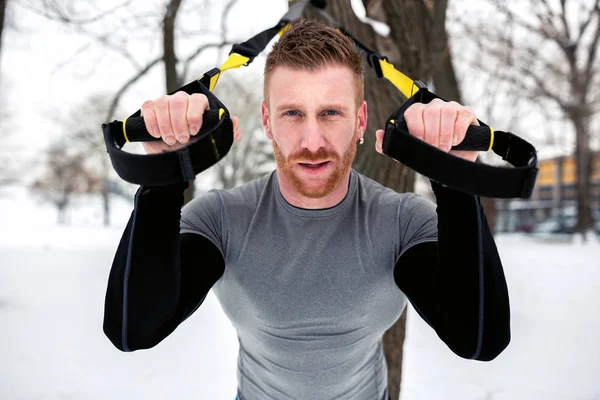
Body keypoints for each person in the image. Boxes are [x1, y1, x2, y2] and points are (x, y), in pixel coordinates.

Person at [103, 20, 510, 400]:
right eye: (292, 113)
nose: (312, 140)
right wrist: (162, 174)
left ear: (361, 120)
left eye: (331, 113)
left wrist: (456, 181)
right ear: (267, 119)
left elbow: (478, 338)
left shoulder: (400, 223)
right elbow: (132, 329)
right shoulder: (222, 220)